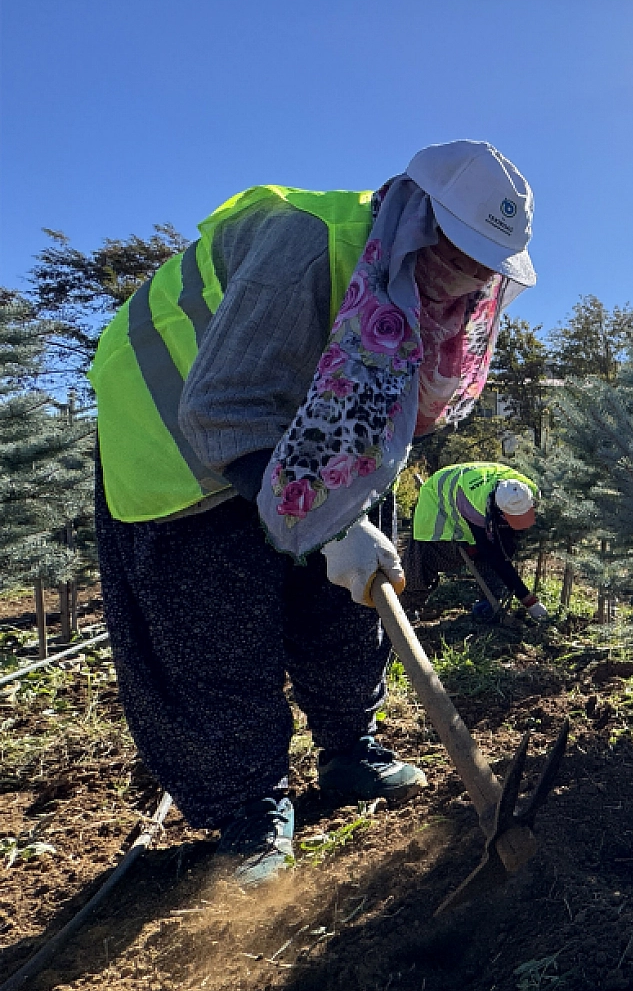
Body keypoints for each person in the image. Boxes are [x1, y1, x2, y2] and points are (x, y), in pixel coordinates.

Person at [88, 141, 537, 886]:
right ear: (418, 220)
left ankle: (349, 747)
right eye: (457, 255)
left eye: (484, 268)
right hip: (181, 426)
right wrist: (326, 524)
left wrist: (342, 522)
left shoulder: (435, 300)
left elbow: (385, 412)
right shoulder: (307, 243)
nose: (466, 283)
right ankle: (250, 808)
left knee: (347, 597)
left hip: (305, 426)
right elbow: (225, 408)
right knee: (218, 621)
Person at [406, 461, 548, 622]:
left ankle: (489, 606)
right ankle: (409, 607)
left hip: (472, 485)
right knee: (423, 560)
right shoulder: (474, 505)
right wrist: (529, 601)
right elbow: (494, 554)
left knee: (494, 550)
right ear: (498, 510)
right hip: (436, 501)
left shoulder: (526, 490)